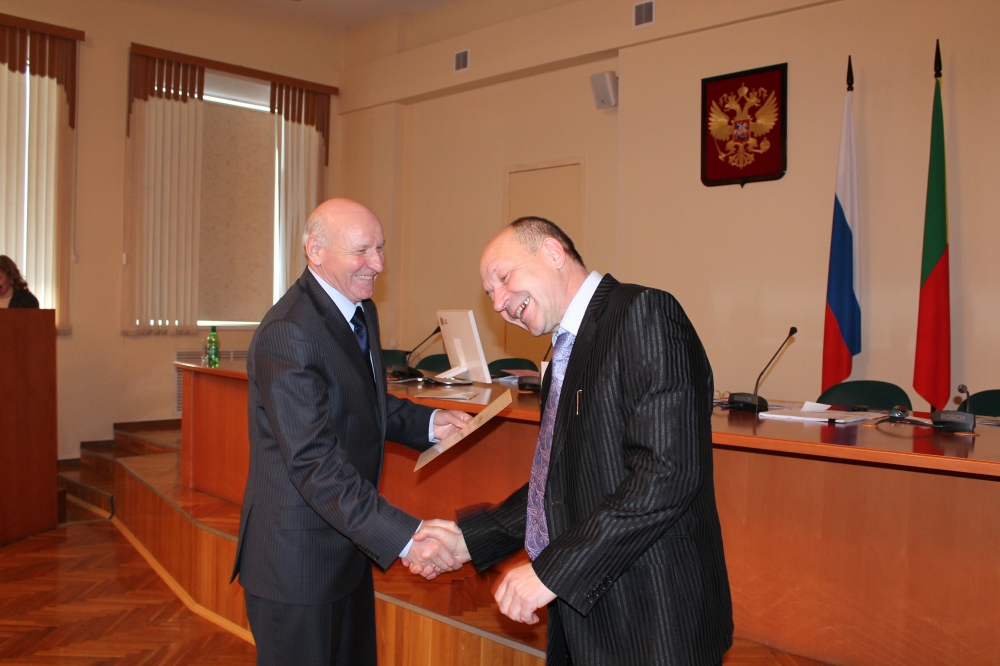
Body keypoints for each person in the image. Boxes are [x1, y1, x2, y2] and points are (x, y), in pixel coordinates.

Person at [411, 217, 733, 666]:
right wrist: (472, 538)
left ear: (553, 252)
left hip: (653, 617)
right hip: (587, 618)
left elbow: (667, 475)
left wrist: (554, 572)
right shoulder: (564, 351)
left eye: (503, 278)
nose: (499, 303)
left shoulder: (644, 312)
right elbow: (561, 481)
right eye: (489, 295)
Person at [231, 198, 471, 666]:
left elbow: (360, 400)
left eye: (380, 248)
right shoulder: (289, 332)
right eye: (361, 251)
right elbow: (314, 463)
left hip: (347, 546)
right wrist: (407, 536)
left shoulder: (359, 310)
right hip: (297, 565)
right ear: (315, 251)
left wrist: (428, 423)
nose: (377, 264)